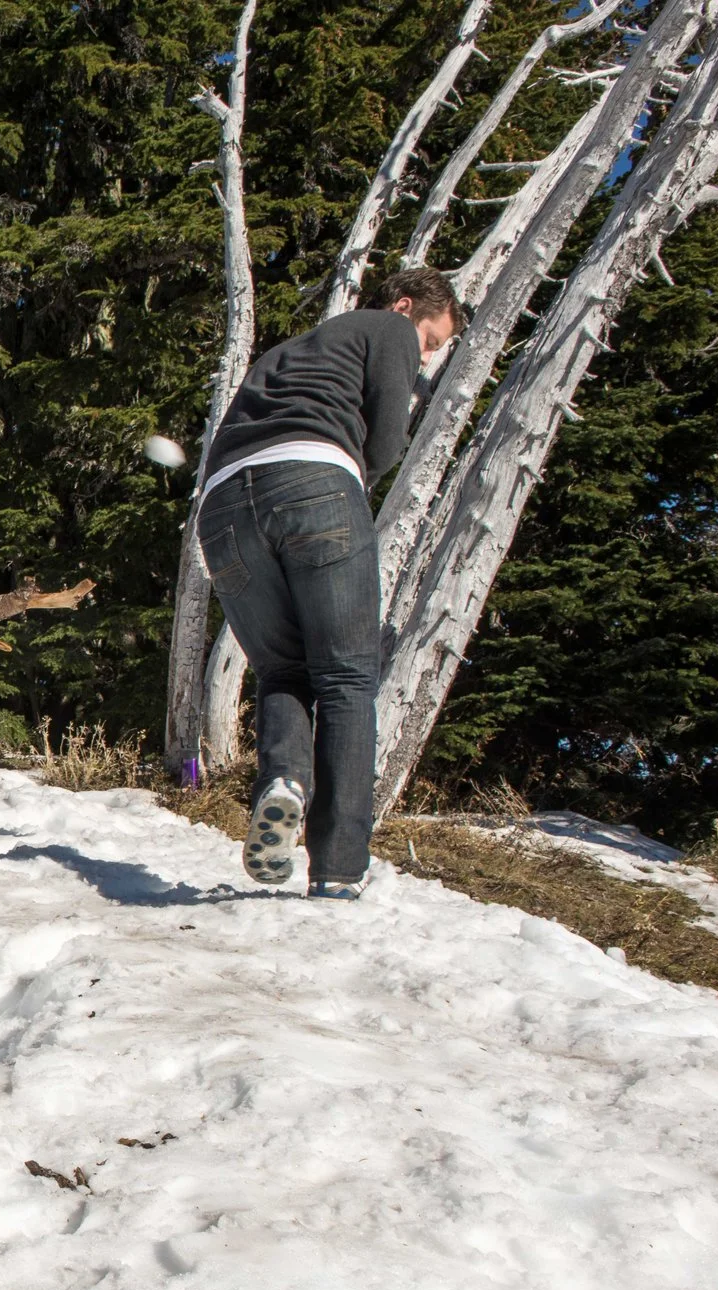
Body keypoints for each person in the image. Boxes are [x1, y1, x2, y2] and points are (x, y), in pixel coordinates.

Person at [194, 267, 462, 900]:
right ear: (405, 306)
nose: (425, 357)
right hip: (314, 482)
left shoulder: (288, 352)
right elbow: (389, 438)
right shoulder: (388, 328)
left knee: (284, 670)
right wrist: (347, 477)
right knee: (345, 676)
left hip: (224, 507)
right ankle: (340, 867)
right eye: (431, 340)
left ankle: (284, 783)